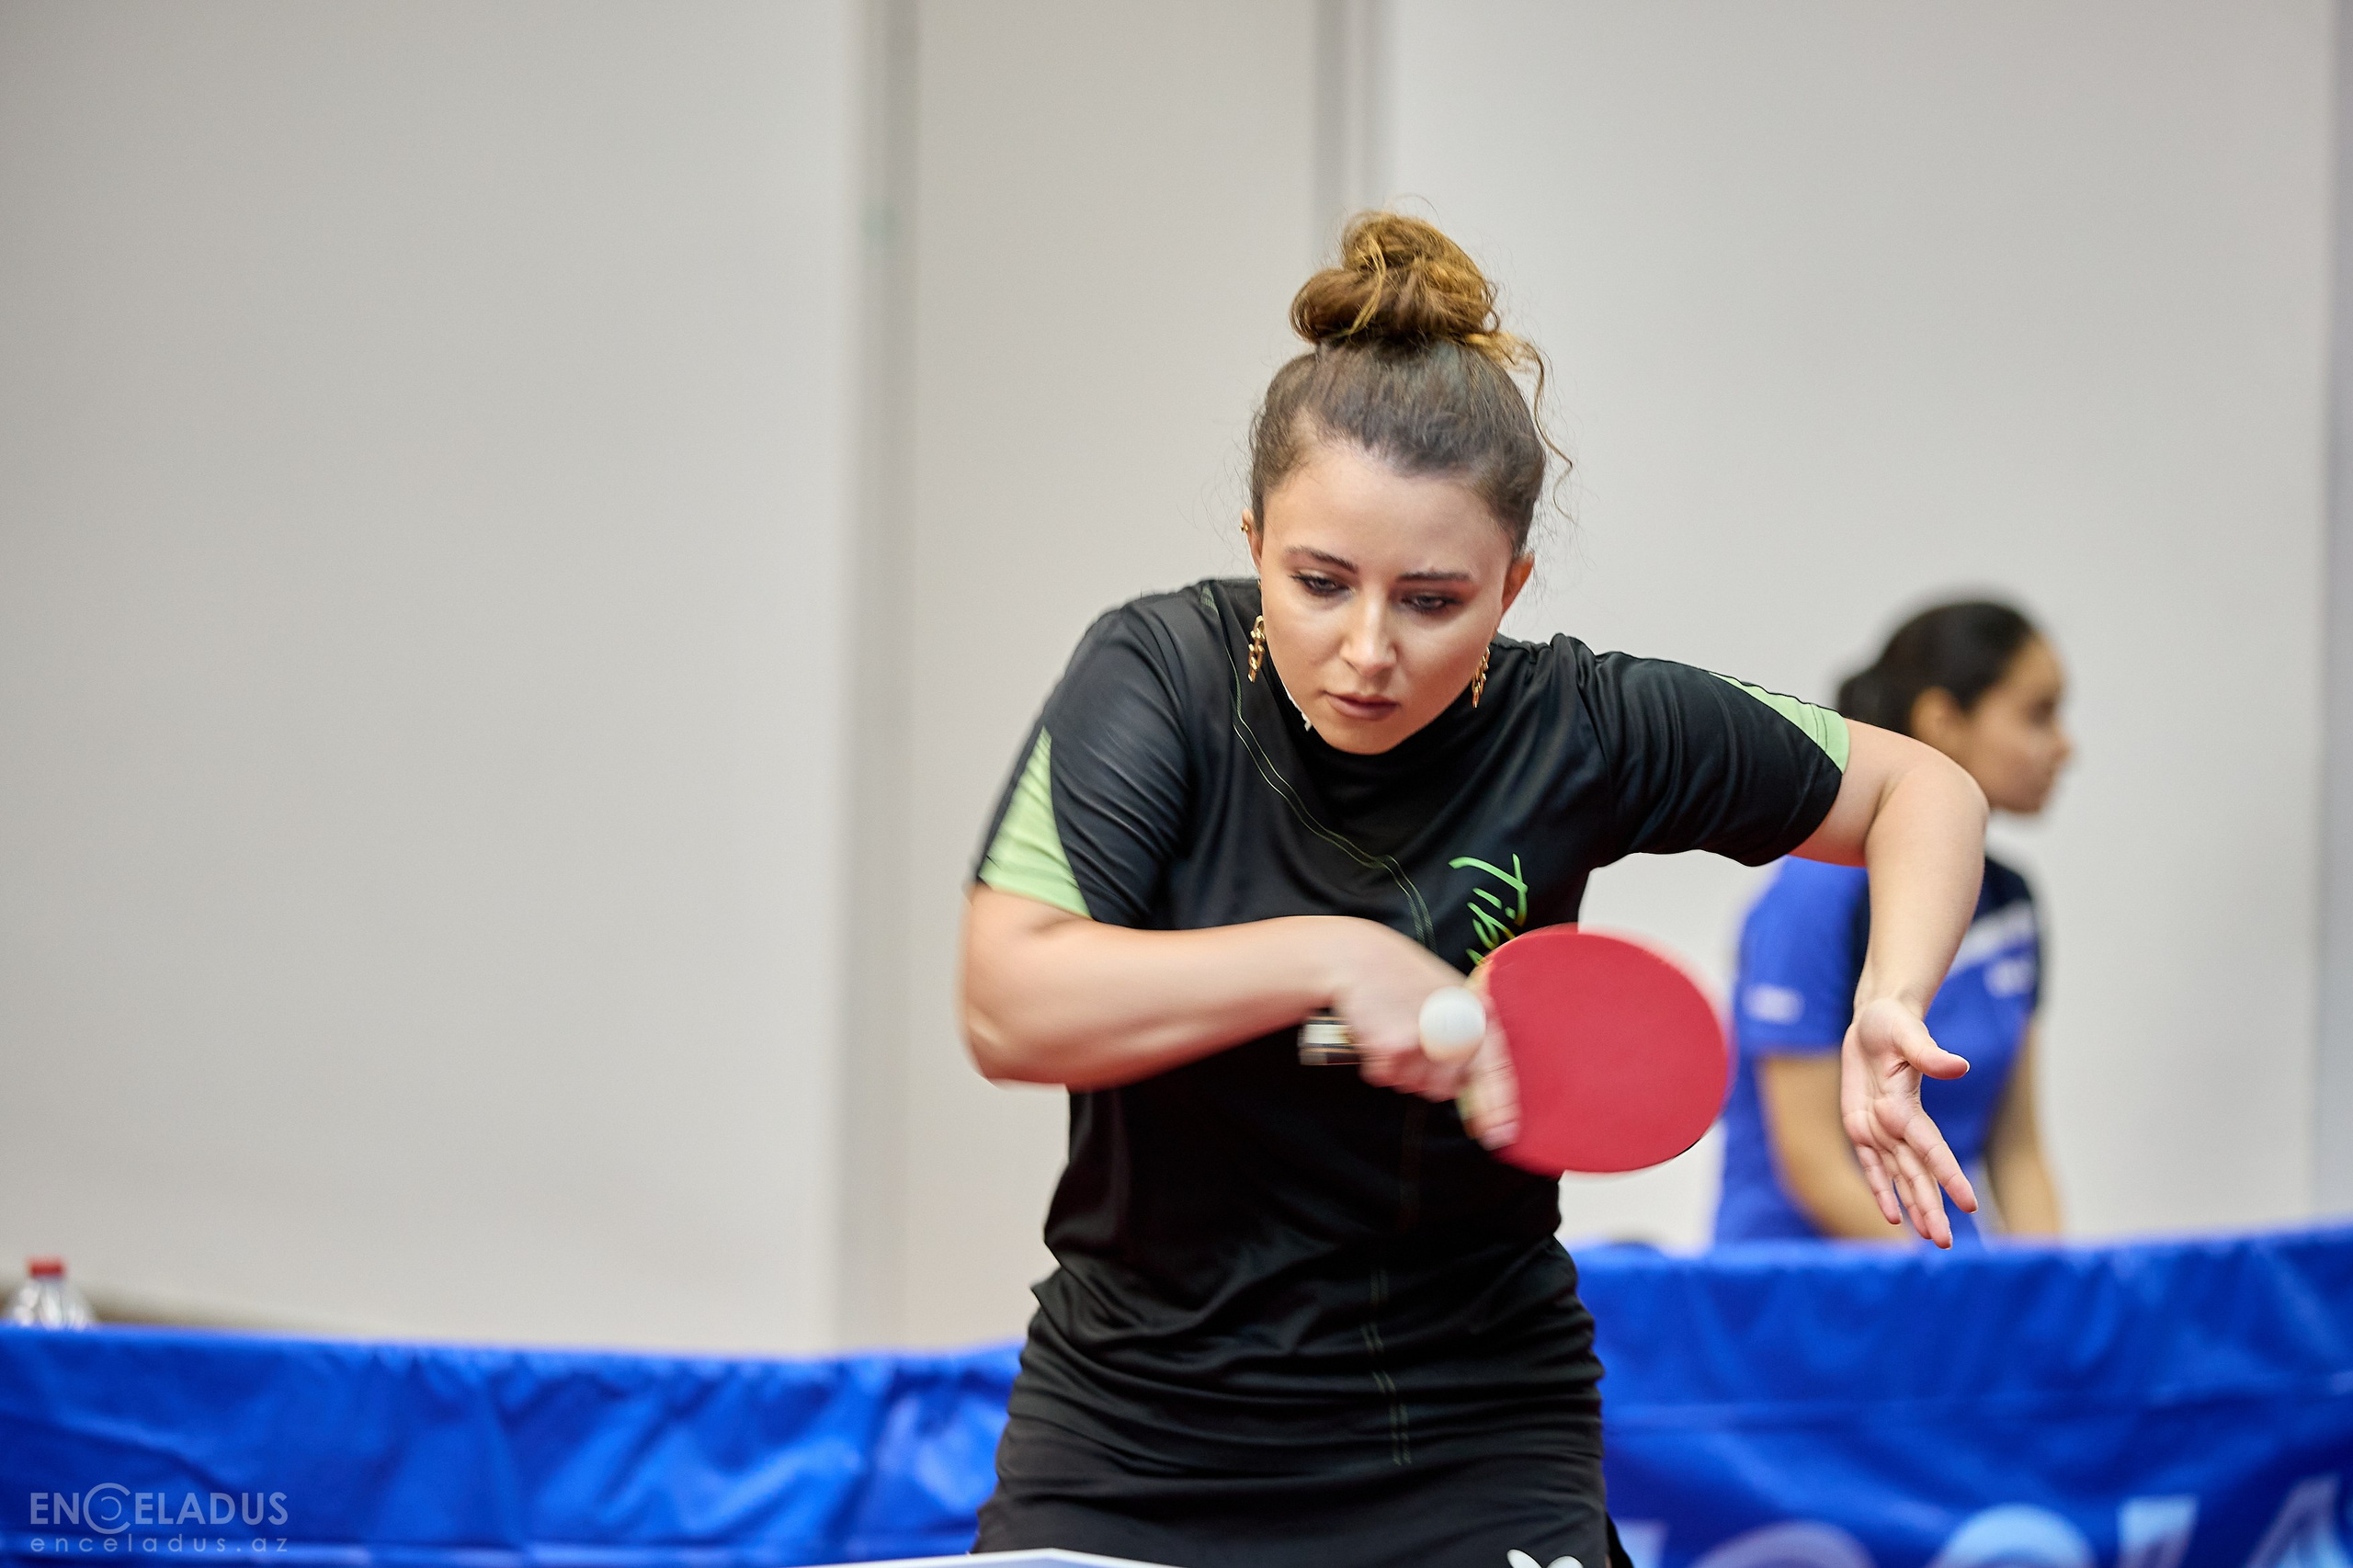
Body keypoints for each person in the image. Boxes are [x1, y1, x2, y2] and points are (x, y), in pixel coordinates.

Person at [958, 212, 1989, 1568]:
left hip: (1469, 1432)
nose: (1367, 649)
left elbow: (1928, 792)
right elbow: (1010, 1000)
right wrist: (1331, 956)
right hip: (1139, 1431)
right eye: (1317, 581)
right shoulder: (1160, 676)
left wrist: (1890, 995)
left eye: (1435, 599)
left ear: (1511, 582)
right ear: (1255, 536)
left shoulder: (1583, 725)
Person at [1714, 601, 2072, 1246]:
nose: (2064, 746)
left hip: (1943, 1276)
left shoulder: (2010, 901)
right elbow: (1813, 1162)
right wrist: (1944, 1296)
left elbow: (2017, 1150)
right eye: (2037, 714)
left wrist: (2047, 1294)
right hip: (1806, 1292)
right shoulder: (1817, 894)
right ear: (1944, 721)